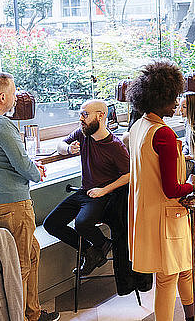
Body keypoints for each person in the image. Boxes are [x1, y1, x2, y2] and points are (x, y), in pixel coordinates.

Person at [0, 72, 60, 321]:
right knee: (19, 266)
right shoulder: (0, 123)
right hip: (12, 204)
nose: (17, 98)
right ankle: (17, 317)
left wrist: (29, 167)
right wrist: (36, 171)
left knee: (31, 253)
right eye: (15, 92)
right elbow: (22, 163)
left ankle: (33, 313)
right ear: (2, 96)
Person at [126, 60, 195, 321]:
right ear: (159, 98)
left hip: (146, 212)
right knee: (169, 276)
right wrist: (192, 184)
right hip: (167, 216)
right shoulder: (164, 134)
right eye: (172, 98)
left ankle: (192, 318)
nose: (176, 103)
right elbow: (172, 189)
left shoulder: (138, 128)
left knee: (183, 268)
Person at [43, 99, 130, 276]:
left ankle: (101, 247)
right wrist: (68, 149)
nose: (81, 119)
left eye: (85, 114)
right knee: (51, 224)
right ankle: (93, 250)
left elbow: (130, 174)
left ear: (101, 116)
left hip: (103, 195)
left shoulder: (115, 146)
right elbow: (60, 144)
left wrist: (104, 190)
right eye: (80, 114)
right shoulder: (83, 134)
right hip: (85, 191)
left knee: (81, 224)